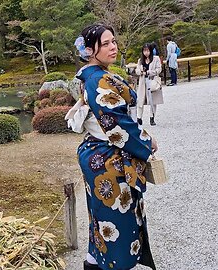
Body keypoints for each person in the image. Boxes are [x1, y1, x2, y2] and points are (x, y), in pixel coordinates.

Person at [69, 24, 158, 270]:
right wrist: (147, 142)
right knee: (117, 220)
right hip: (108, 158)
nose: (113, 47)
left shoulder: (91, 75)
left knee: (101, 219)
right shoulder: (98, 79)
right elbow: (116, 124)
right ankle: (115, 265)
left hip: (97, 153)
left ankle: (94, 262)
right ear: (90, 50)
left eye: (113, 41)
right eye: (105, 43)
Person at [135, 43, 164, 125]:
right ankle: (139, 118)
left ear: (151, 51)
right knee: (140, 100)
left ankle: (152, 117)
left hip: (152, 81)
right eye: (144, 51)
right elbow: (137, 70)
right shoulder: (140, 60)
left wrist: (148, 72)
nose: (146, 53)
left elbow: (159, 69)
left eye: (147, 51)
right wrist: (140, 72)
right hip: (143, 82)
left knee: (153, 100)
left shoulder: (156, 59)